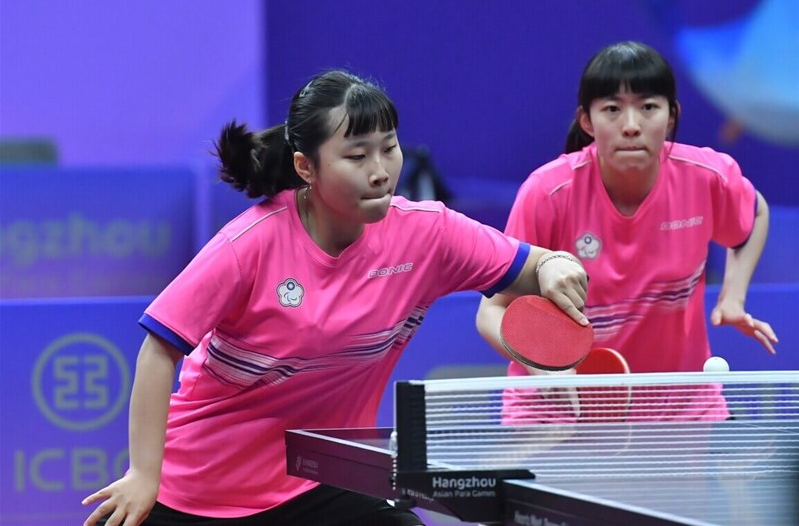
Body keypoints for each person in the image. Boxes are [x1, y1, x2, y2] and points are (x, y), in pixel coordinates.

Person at [81, 70, 589, 526]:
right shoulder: (250, 244)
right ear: (306, 167)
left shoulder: (428, 234)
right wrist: (145, 474)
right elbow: (159, 348)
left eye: (389, 147)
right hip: (202, 487)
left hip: (325, 474)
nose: (380, 170)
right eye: (356, 155)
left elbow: (530, 265)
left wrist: (557, 265)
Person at [476, 41, 778, 423]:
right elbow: (492, 311)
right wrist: (548, 371)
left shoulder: (706, 177)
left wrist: (733, 298)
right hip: (558, 411)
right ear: (587, 120)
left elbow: (756, 211)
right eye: (612, 109)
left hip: (679, 410)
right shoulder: (548, 193)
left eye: (648, 107)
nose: (632, 125)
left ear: (671, 116)